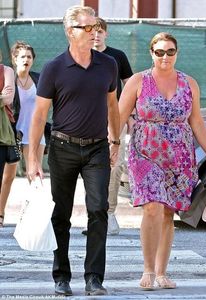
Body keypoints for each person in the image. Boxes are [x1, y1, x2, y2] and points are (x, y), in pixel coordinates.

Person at [118, 32, 206, 290]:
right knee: (152, 207)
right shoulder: (138, 81)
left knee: (168, 212)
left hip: (179, 155)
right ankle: (147, 269)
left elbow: (197, 121)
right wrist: (111, 146)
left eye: (170, 51)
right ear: (151, 53)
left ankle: (161, 272)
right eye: (159, 52)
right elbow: (120, 116)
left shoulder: (189, 83)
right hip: (145, 153)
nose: (165, 57)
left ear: (176, 53)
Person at [28, 5, 120, 297]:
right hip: (62, 148)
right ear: (71, 31)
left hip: (97, 150)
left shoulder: (108, 64)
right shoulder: (55, 68)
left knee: (98, 210)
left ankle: (94, 277)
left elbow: (112, 106)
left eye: (96, 27)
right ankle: (61, 276)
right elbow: (40, 115)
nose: (94, 32)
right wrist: (32, 158)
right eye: (88, 27)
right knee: (61, 215)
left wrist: (115, 141)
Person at [81, 17, 133, 235]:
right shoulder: (81, 55)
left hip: (116, 119)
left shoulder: (117, 56)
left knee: (114, 165)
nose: (97, 34)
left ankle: (109, 214)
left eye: (101, 31)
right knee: (88, 168)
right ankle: (93, 216)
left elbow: (129, 86)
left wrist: (131, 114)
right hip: (88, 120)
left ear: (106, 34)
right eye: (92, 30)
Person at [11, 41, 45, 175]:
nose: (26, 60)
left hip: (36, 131)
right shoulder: (9, 79)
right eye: (22, 57)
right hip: (14, 132)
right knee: (8, 175)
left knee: (35, 171)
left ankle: (35, 195)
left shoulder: (39, 79)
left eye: (29, 57)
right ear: (15, 59)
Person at [0, 63, 15, 227]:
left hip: (2, 135)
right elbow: (2, 98)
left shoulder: (6, 71)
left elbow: (8, 98)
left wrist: (3, 97)